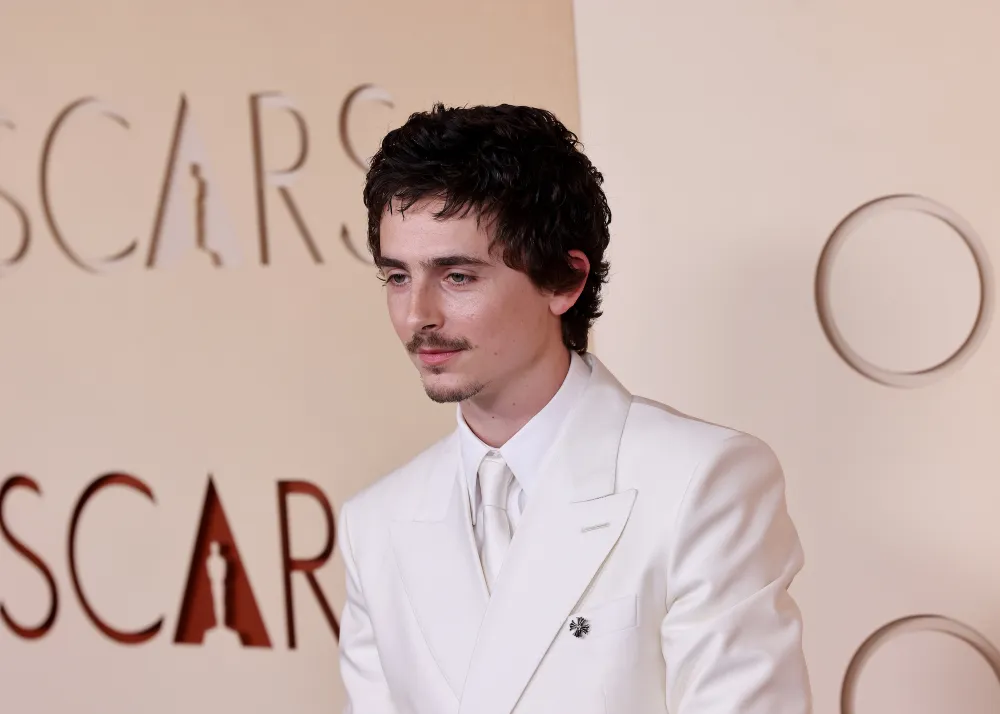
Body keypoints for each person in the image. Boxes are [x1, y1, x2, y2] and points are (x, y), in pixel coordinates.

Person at [336, 103, 812, 714]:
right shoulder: (375, 524)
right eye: (397, 277)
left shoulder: (703, 481)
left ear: (564, 279)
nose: (416, 315)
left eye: (456, 276)